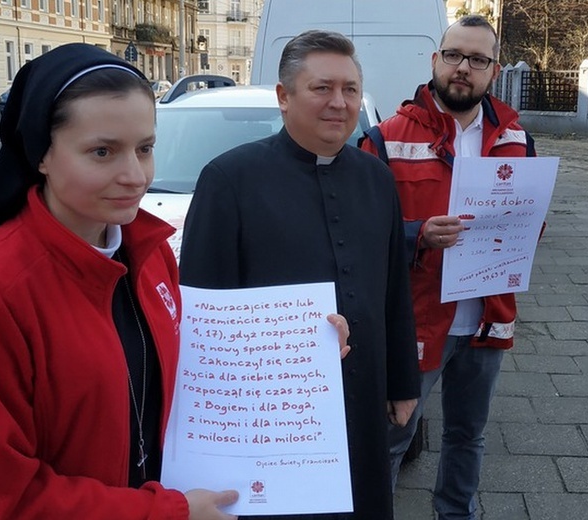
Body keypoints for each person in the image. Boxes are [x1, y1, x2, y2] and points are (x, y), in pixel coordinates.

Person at [0, 43, 240, 520]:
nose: (135, 176)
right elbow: (0, 500)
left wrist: (302, 347)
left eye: (145, 148)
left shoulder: (150, 255)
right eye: (102, 151)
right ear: (42, 154)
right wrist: (166, 513)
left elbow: (188, 370)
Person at [179, 30, 420, 520]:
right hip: (270, 413)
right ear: (284, 97)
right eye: (322, 88)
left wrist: (403, 381)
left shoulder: (376, 177)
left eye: (350, 90)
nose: (339, 102)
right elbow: (203, 313)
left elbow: (394, 290)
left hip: (363, 395)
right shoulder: (229, 179)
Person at [360, 15, 536, 520]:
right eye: (455, 55)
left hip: (487, 318)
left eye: (478, 60)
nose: (464, 68)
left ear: (494, 71)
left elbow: (529, 230)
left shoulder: (517, 141)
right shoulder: (386, 139)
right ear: (435, 60)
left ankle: (456, 513)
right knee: (392, 440)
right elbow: (362, 236)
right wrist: (418, 235)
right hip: (415, 320)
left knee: (468, 436)